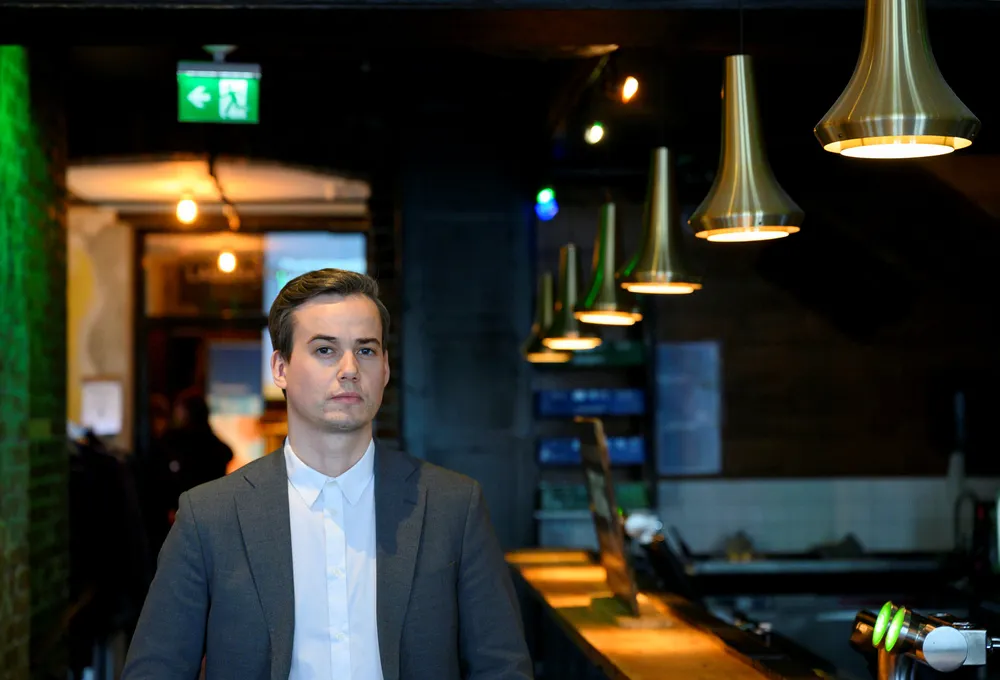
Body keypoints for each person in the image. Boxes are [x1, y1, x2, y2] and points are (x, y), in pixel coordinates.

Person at [122, 268, 533, 680]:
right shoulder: (209, 517)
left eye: (366, 350)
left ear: (385, 369)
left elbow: (502, 668)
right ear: (280, 367)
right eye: (325, 349)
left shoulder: (452, 506)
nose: (349, 368)